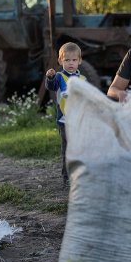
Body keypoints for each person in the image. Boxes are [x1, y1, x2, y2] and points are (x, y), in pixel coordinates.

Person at [45, 42, 86, 187]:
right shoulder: (59, 77)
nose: (70, 63)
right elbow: (51, 87)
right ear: (60, 60)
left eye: (74, 60)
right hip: (65, 121)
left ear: (79, 61)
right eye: (67, 60)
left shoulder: (82, 79)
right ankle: (67, 177)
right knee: (67, 149)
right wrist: (49, 78)